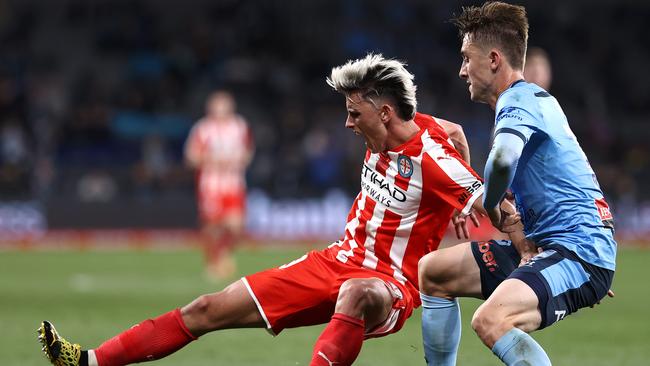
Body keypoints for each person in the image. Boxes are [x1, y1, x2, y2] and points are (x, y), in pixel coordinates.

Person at [38, 54, 486, 366]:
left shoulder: (429, 157)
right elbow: (454, 129)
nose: (347, 123)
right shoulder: (412, 128)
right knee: (207, 308)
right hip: (333, 261)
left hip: (388, 283)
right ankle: (91, 360)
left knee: (357, 294)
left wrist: (477, 206)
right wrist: (459, 167)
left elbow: (487, 197)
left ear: (384, 113)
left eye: (353, 113)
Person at [418, 2, 616, 365]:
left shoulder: (518, 101)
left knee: (492, 321)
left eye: (466, 58)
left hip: (576, 252)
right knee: (434, 272)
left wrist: (489, 205)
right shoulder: (533, 102)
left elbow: (502, 161)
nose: (462, 70)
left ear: (493, 59)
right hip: (555, 246)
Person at [184, 90, 254, 279]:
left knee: (236, 225)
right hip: (211, 186)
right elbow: (191, 157)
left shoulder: (239, 126)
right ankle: (212, 262)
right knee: (211, 226)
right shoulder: (203, 129)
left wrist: (239, 160)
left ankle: (223, 254)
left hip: (234, 184)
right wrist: (212, 160)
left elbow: (248, 152)